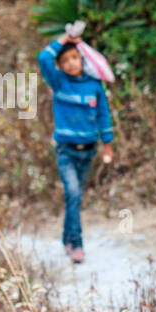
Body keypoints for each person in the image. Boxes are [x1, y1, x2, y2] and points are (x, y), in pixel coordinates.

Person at [37, 32, 114, 263]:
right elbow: (43, 58)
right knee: (73, 193)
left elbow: (103, 115)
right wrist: (65, 38)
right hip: (66, 151)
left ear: (82, 59)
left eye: (74, 58)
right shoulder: (60, 82)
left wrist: (108, 146)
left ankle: (66, 238)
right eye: (65, 60)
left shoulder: (94, 86)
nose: (71, 63)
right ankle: (77, 244)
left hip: (88, 150)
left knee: (75, 197)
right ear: (60, 65)